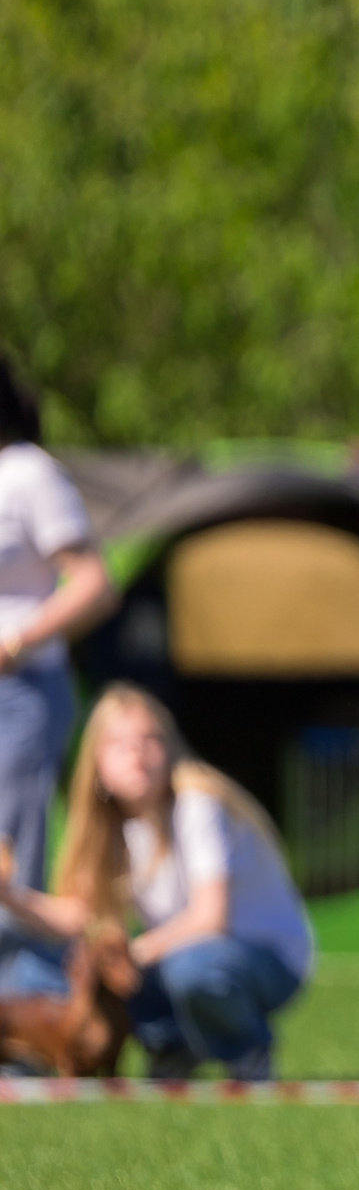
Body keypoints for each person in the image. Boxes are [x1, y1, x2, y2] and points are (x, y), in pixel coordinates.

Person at [0, 685, 311, 1081]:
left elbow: (209, 918)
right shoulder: (112, 828)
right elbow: (78, 918)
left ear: (171, 748)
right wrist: (8, 895)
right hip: (170, 958)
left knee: (194, 969)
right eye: (119, 744)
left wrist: (129, 955)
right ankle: (170, 1047)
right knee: (35, 968)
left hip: (261, 960)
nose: (137, 754)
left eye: (150, 739)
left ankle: (246, 1051)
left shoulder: (198, 803)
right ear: (95, 762)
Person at [0, 354, 115, 875]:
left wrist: (16, 643)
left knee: (10, 854)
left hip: (21, 688)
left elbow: (93, 583)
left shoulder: (27, 472)